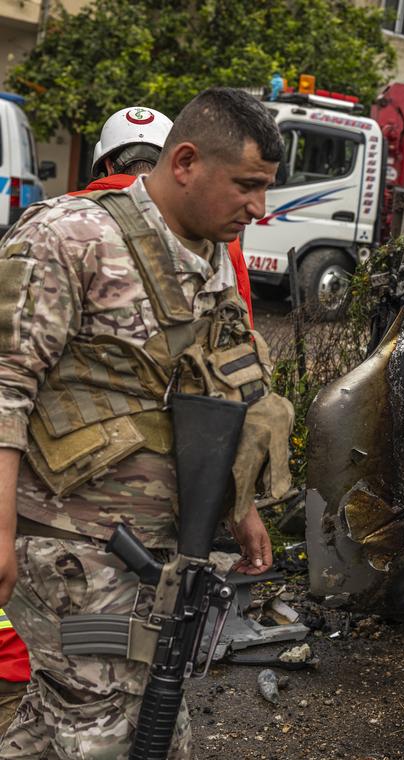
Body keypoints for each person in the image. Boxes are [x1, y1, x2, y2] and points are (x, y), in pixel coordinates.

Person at [0, 86, 290, 758]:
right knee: (114, 729)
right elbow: (6, 383)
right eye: (247, 186)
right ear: (185, 161)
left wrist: (239, 506)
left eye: (266, 188)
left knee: (71, 716)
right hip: (67, 538)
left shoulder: (207, 251)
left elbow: (217, 382)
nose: (259, 208)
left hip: (156, 541)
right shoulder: (66, 237)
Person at [71, 105, 256, 324]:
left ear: (108, 165)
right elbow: (242, 318)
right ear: (173, 162)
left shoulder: (59, 216)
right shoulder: (215, 229)